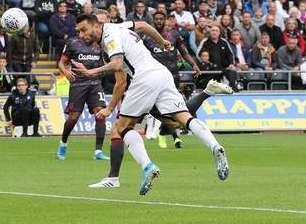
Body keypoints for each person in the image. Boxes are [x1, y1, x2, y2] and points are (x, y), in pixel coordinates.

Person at [73, 13, 230, 195]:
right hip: (161, 73)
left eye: (84, 30)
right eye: (78, 32)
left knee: (120, 127)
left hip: (144, 78)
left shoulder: (109, 37)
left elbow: (117, 65)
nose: (81, 35)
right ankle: (215, 146)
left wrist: (89, 72)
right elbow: (144, 25)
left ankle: (144, 167)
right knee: (181, 118)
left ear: (97, 26)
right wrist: (161, 40)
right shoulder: (120, 27)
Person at [143, 11, 201, 148]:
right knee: (161, 108)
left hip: (173, 77)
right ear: (153, 21)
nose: (158, 21)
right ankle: (170, 134)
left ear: (165, 20)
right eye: (156, 19)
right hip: (155, 78)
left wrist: (194, 64)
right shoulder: (147, 39)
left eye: (160, 19)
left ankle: (164, 133)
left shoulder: (174, 35)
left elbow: (184, 52)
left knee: (173, 107)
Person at [56, 35, 109, 160]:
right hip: (78, 83)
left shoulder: (100, 42)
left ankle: (98, 152)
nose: (82, 32)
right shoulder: (72, 42)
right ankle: (63, 143)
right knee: (73, 118)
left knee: (100, 112)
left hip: (95, 83)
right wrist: (66, 72)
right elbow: (61, 63)